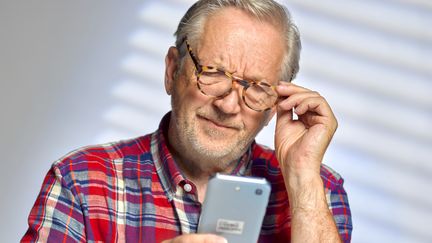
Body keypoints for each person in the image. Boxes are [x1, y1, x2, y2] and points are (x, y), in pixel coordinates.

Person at [22, 0, 352, 242]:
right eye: (212, 73)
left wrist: (303, 177)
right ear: (172, 71)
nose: (228, 104)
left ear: (274, 106)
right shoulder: (80, 181)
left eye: (255, 87)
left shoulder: (317, 188)